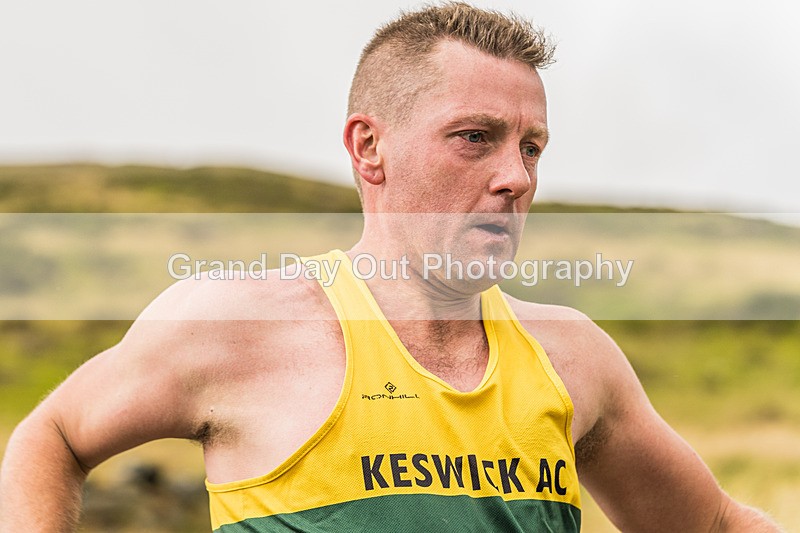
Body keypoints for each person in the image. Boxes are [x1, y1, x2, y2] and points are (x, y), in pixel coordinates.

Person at [0, 3, 785, 532]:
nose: (516, 175)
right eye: (475, 137)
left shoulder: (574, 360)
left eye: (532, 145)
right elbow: (53, 436)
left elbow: (712, 522)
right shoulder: (241, 330)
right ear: (368, 147)